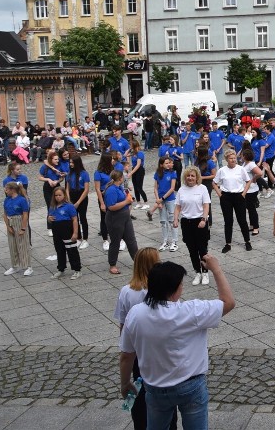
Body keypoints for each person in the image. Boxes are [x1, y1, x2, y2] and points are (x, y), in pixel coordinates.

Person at [119, 255, 235, 429]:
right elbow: (228, 302)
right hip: (191, 386)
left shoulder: (136, 314)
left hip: (155, 388)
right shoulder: (190, 312)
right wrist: (216, 269)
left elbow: (127, 356)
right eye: (181, 284)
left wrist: (125, 382)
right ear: (174, 289)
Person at [113, 247, 172, 430]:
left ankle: (141, 423)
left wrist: (125, 345)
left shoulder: (126, 291)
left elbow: (122, 324)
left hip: (138, 349)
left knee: (139, 387)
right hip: (160, 349)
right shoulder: (163, 290)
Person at [174, 167, 212, 286]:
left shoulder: (202, 188)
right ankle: (197, 272)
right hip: (187, 223)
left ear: (197, 177)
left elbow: (206, 205)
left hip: (200, 222)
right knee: (192, 250)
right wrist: (175, 219)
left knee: (202, 249)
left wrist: (204, 219)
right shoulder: (181, 189)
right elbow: (178, 207)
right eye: (188, 176)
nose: (190, 178)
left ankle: (205, 272)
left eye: (192, 176)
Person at [213, 150, 252, 253]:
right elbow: (214, 183)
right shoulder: (222, 170)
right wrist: (220, 195)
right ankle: (228, 243)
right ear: (226, 160)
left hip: (239, 196)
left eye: (234, 158)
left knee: (242, 220)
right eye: (231, 158)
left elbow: (248, 181)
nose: (233, 160)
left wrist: (243, 193)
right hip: (226, 197)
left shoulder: (241, 169)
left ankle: (247, 241)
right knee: (228, 221)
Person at [104, 170, 139, 275]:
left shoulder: (120, 187)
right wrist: (126, 202)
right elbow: (111, 207)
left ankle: (138, 263)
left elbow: (125, 201)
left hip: (125, 217)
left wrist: (128, 202)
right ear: (120, 178)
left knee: (131, 241)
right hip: (114, 219)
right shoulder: (111, 190)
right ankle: (112, 264)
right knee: (115, 242)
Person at [48, 186, 81, 279]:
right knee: (59, 250)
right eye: (56, 195)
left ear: (64, 195)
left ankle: (77, 269)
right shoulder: (52, 207)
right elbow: (50, 218)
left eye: (60, 195)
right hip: (56, 231)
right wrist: (49, 219)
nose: (58, 197)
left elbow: (75, 220)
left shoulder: (69, 206)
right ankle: (61, 269)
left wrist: (75, 233)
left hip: (67, 231)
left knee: (71, 250)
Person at [3, 182, 31, 276]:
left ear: (12, 190)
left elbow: (25, 214)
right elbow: (5, 213)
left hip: (19, 221)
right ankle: (15, 265)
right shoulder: (6, 200)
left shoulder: (22, 200)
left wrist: (23, 228)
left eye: (6, 189)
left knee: (22, 244)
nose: (5, 191)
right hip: (10, 222)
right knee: (12, 245)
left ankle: (27, 266)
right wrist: (8, 226)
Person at [151, 158, 179, 252]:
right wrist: (158, 200)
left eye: (169, 163)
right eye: (166, 163)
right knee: (163, 221)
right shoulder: (158, 174)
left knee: (172, 220)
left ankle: (174, 242)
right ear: (161, 164)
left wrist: (162, 199)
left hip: (170, 200)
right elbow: (155, 188)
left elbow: (172, 188)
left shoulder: (173, 173)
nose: (168, 164)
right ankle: (165, 241)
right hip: (161, 200)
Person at [64, 155, 91, 250]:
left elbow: (86, 189)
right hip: (72, 196)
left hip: (82, 197)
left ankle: (85, 239)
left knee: (83, 218)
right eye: (70, 163)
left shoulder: (84, 174)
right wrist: (68, 199)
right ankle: (78, 237)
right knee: (74, 219)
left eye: (72, 163)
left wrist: (78, 202)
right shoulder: (69, 173)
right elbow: (67, 188)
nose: (71, 164)